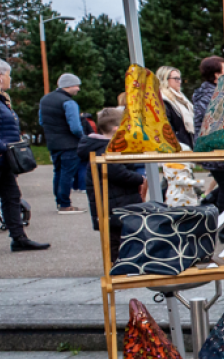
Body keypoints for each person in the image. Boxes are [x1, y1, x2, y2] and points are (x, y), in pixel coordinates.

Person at [0, 59, 49, 251]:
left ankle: (19, 238)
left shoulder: (3, 100)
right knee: (10, 197)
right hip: (3, 154)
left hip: (5, 160)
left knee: (12, 197)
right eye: (8, 74)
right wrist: (6, 147)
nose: (10, 78)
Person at [81, 107, 145, 250]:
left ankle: (121, 265)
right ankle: (118, 268)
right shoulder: (106, 150)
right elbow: (118, 173)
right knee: (118, 241)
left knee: (123, 239)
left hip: (116, 203)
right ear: (117, 129)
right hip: (114, 206)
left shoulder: (104, 147)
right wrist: (139, 178)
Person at [192, 56, 224, 240]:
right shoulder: (211, 95)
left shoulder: (220, 91)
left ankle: (208, 205)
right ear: (216, 75)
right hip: (215, 149)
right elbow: (211, 121)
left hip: (222, 149)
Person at [38, 73, 85, 214]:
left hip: (53, 143)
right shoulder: (69, 102)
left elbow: (41, 121)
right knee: (67, 174)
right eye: (77, 86)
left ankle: (59, 202)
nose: (78, 89)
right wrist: (83, 137)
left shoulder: (45, 100)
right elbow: (75, 127)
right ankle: (65, 204)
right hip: (69, 143)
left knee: (58, 172)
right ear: (69, 86)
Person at [156, 66, 194, 149]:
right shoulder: (162, 100)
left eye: (180, 78)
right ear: (164, 79)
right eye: (176, 78)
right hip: (177, 149)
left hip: (188, 145)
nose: (179, 82)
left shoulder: (181, 99)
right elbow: (166, 127)